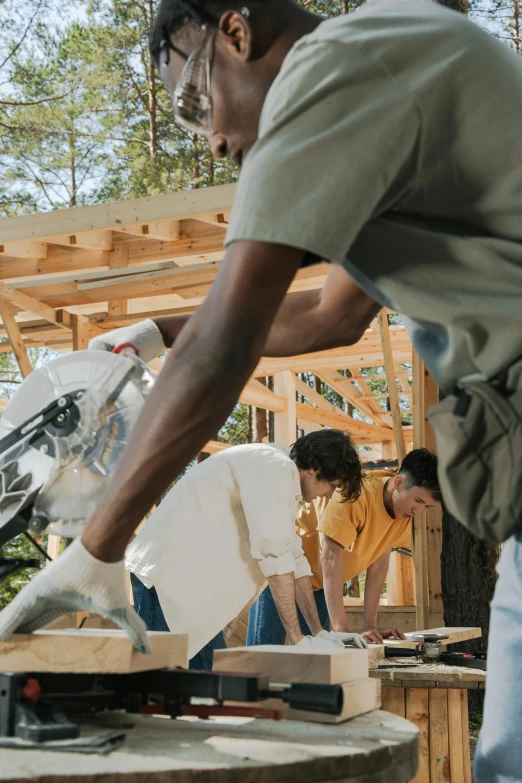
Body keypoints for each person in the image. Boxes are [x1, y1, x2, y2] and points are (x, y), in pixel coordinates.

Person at [0, 2, 521, 780]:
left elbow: (229, 340)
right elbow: (328, 314)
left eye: (196, 99)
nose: (210, 135)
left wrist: (93, 551)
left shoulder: (330, 68)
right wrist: (164, 332)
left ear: (237, 32)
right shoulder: (392, 56)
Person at [127, 429, 366, 669]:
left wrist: (320, 633)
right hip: (167, 581)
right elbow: (275, 556)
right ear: (315, 468)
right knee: (171, 685)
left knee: (202, 688)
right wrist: (298, 640)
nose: (329, 494)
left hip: (182, 587)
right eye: (332, 485)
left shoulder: (282, 477)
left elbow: (294, 557)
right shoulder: (273, 467)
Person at [247, 449, 441, 646]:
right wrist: (341, 629)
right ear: (398, 483)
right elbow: (330, 557)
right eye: (418, 501)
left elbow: (379, 564)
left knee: (318, 659)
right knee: (263, 653)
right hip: (281, 573)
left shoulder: (403, 512)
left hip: (319, 587)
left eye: (427, 507)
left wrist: (369, 625)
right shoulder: (357, 493)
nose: (419, 511)